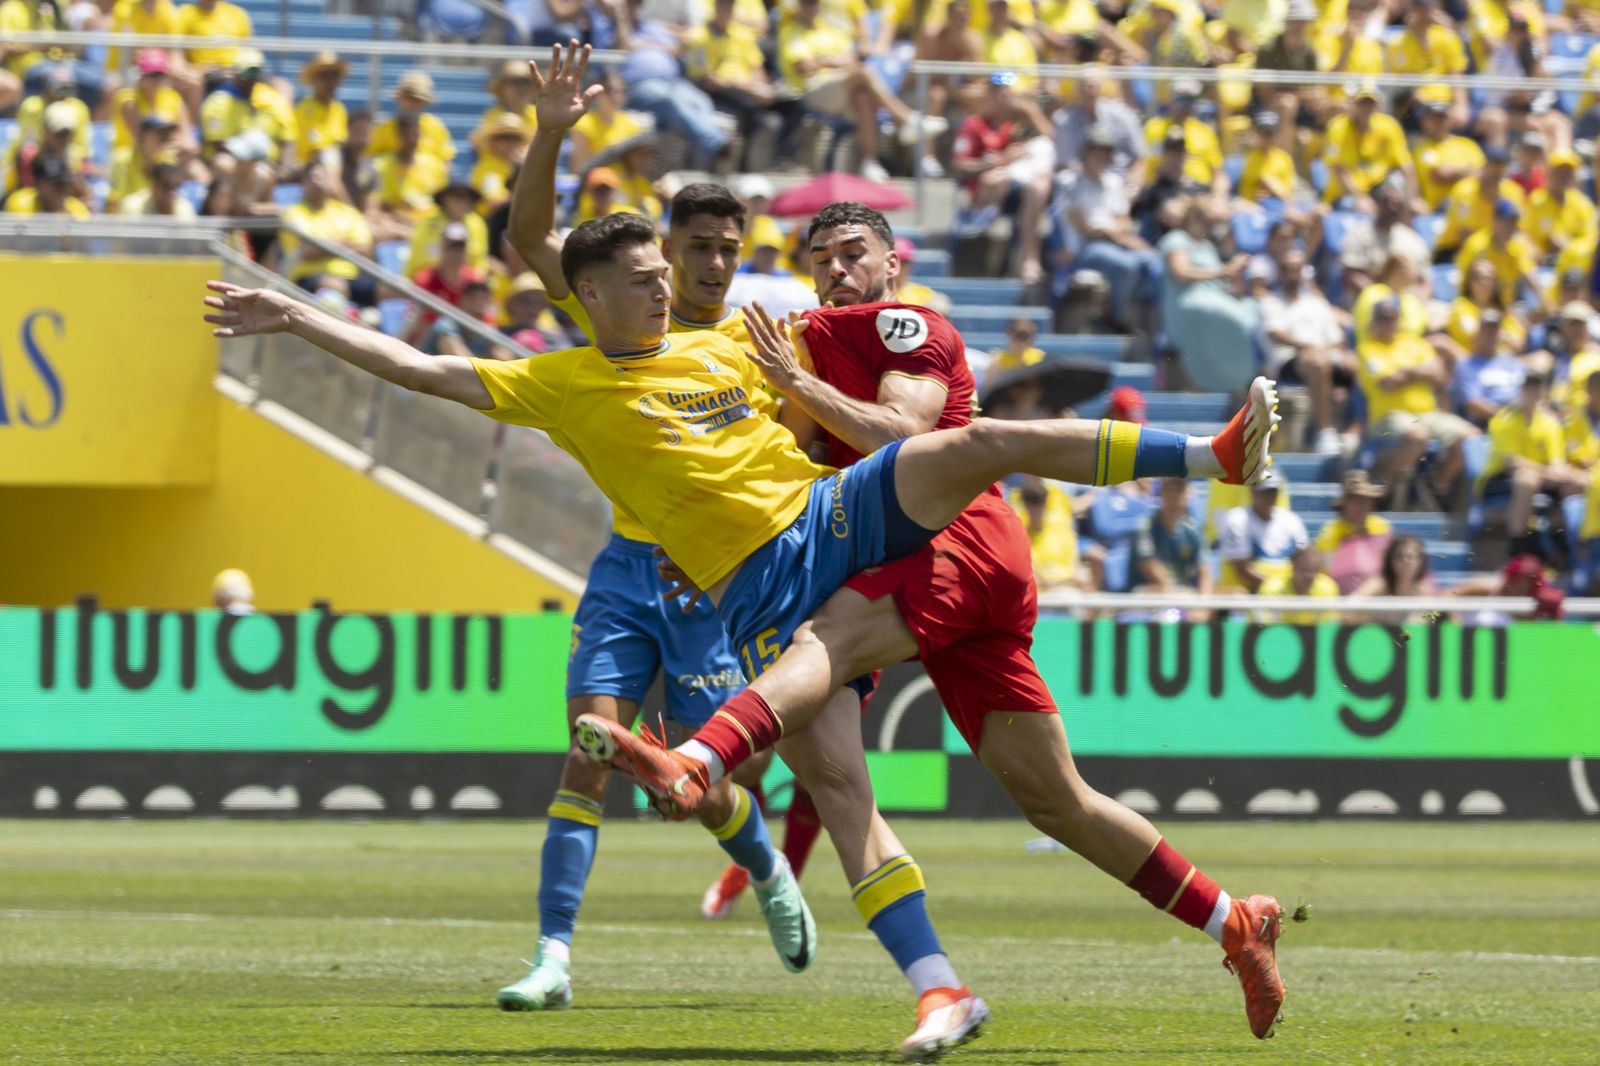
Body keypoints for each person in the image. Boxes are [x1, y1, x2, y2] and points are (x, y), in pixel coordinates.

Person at [203, 47, 1284, 1055]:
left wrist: (858, 327)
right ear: (593, 293)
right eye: (649, 272)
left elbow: (883, 359)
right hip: (760, 589)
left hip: (833, 520)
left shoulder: (730, 334)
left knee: (973, 441)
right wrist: (296, 315)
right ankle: (944, 986)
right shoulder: (558, 383)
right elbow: (416, 354)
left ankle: (1210, 453)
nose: (674, 285)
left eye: (680, 270)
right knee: (853, 797)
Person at [486, 73, 815, 1018]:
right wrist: (550, 133)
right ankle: (552, 956)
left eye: (726, 251)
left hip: (725, 584)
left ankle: (760, 865)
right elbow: (528, 240)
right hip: (635, 570)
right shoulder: (620, 311)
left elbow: (795, 446)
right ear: (659, 255)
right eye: (697, 250)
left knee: (707, 784)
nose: (711, 267)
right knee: (587, 750)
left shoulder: (759, 337)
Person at [778, 0, 946, 183]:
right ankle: (906, 119)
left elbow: (852, 59)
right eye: (807, 3)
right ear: (799, 6)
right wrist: (834, 61)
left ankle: (869, 162)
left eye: (814, 3)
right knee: (864, 75)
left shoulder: (829, 31)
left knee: (862, 96)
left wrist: (825, 61)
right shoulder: (791, 31)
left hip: (842, 84)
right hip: (813, 89)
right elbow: (804, 66)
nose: (811, 7)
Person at [1357, 297, 1478, 508]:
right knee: (1418, 435)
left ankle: (1438, 484)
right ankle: (1380, 490)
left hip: (1428, 415)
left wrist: (1405, 373)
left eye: (1393, 318)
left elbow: (1439, 376)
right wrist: (1418, 371)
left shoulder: (1414, 343)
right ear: (1374, 321)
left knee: (1472, 437)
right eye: (1383, 318)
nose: (1388, 323)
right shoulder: (1367, 348)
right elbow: (1387, 383)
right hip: (1388, 418)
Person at [952, 71, 1055, 284]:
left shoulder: (1016, 124)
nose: (1002, 99)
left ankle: (1029, 260)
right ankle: (987, 225)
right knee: (996, 178)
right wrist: (996, 161)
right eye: (996, 93)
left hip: (1014, 190)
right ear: (988, 96)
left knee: (1037, 187)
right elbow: (959, 165)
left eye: (1006, 93)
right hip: (983, 191)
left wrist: (1033, 110)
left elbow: (1052, 141)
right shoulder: (974, 124)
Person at [1158, 197, 1259, 394]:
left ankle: (1239, 378)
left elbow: (1222, 281)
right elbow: (1181, 273)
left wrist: (1234, 275)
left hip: (1215, 299)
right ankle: (1226, 381)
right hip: (1189, 303)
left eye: (1211, 221)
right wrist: (1223, 271)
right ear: (1192, 217)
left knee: (1253, 311)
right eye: (1204, 219)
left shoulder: (1208, 246)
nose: (1208, 225)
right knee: (1235, 318)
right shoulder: (1177, 239)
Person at [1056, 125, 1153, 329]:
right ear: (1085, 152)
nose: (1100, 155)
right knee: (1127, 266)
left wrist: (1116, 233)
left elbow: (1124, 222)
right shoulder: (1069, 181)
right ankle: (1113, 318)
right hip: (1084, 249)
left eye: (1105, 151)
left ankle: (1157, 330)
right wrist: (1118, 235)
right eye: (1095, 149)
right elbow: (1086, 228)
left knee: (1154, 263)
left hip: (1114, 244)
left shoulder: (1114, 182)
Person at [1258, 246, 1350, 455]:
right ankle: (1325, 431)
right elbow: (1275, 333)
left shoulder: (1317, 303)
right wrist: (1309, 347)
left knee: (1357, 363)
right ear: (1279, 272)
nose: (1292, 273)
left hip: (1324, 355)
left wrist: (1324, 350)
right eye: (1287, 268)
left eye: (1297, 268)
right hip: (1289, 360)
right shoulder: (1270, 302)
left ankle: (1355, 430)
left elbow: (1337, 339)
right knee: (1316, 362)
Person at [1477, 369, 1578, 545]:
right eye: (1528, 387)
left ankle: (1565, 544)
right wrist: (1547, 471)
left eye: (1538, 386)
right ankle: (1517, 546)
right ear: (1520, 390)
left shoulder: (1550, 422)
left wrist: (1558, 472)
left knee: (1577, 481)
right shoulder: (1504, 419)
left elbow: (1557, 461)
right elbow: (1511, 462)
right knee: (1526, 478)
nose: (1533, 391)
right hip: (1498, 480)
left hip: (1541, 477)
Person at [278, 160, 375, 305]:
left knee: (388, 291)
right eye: (314, 177)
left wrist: (328, 245)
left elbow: (365, 249)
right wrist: (344, 243)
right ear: (303, 183)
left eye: (324, 177)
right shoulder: (293, 214)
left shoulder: (347, 212)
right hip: (309, 278)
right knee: (334, 285)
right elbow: (307, 253)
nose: (320, 182)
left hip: (350, 277)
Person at [1216, 469, 1309, 592]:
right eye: (1264, 492)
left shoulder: (1292, 521)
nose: (1270, 497)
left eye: (1273, 492)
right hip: (1248, 594)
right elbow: (1242, 569)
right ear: (1252, 492)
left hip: (1287, 592)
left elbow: (1303, 553)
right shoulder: (1237, 521)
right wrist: (1278, 588)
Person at [1131, 477, 1211, 601]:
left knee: (1237, 595)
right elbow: (1148, 565)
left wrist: (1204, 603)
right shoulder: (1146, 527)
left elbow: (1204, 570)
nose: (1174, 496)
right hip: (1150, 591)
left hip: (1184, 591)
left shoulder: (1193, 529)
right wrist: (1178, 593)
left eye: (1179, 490)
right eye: (1169, 490)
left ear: (1187, 495)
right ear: (1161, 493)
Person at [1317, 470, 1392, 592]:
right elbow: (1327, 573)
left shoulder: (1382, 527)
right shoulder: (1329, 533)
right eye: (1355, 500)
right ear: (1344, 504)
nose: (1361, 506)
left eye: (1365, 500)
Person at [1450, 310, 1527, 427]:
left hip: (1519, 419)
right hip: (1487, 423)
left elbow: (1527, 391)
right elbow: (1473, 404)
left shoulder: (1513, 363)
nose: (1490, 336)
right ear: (1477, 334)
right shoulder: (1467, 366)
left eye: (1494, 331)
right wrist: (1505, 417)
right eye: (1486, 331)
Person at [1351, 535, 1435, 621]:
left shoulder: (1423, 589)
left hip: (1408, 633)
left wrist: (1420, 620)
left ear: (1420, 561)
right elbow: (1350, 604)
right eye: (1400, 556)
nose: (1405, 560)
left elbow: (1432, 616)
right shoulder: (1379, 583)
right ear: (1391, 560)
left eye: (1410, 556)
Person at [1255, 545, 1341, 624]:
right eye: (1303, 570)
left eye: (1314, 570)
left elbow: (1328, 627)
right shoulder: (1272, 588)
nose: (1309, 575)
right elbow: (1265, 626)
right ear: (1293, 568)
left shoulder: (1328, 588)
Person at [294, 51, 350, 169]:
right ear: (313, 80)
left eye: (334, 75)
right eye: (324, 75)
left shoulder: (339, 110)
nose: (330, 81)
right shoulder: (304, 110)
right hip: (309, 168)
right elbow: (311, 149)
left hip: (338, 166)